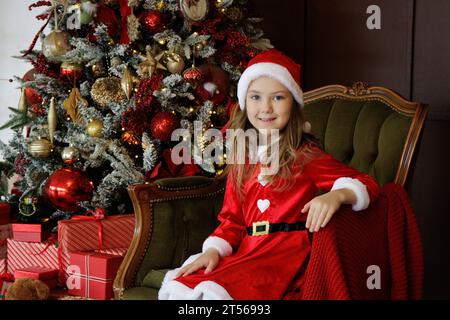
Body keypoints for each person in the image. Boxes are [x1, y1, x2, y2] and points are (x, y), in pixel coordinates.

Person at [158, 49, 380, 300]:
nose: (265, 107)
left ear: (292, 104)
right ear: (244, 103)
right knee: (190, 285)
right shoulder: (243, 159)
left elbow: (367, 183)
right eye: (255, 97)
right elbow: (232, 221)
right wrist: (213, 251)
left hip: (284, 257)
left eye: (277, 98)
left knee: (227, 291)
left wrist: (338, 195)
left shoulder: (304, 155)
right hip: (249, 251)